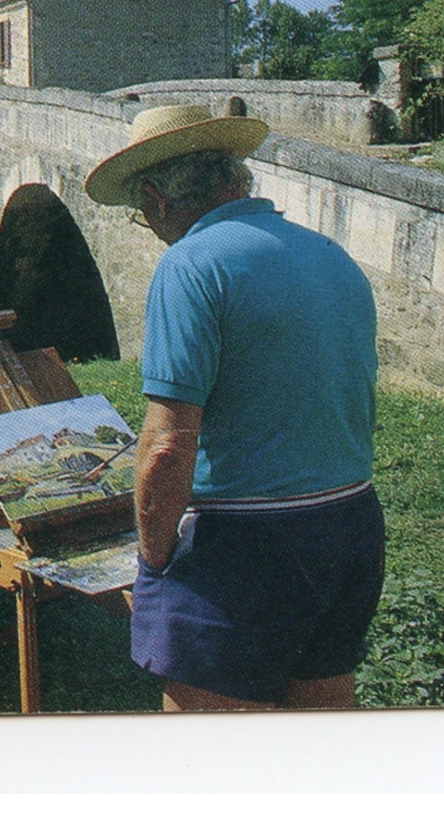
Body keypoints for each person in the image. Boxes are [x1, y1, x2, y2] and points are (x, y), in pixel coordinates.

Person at [84, 104, 383, 711]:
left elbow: (168, 445)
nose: (150, 225)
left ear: (155, 196)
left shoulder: (190, 265)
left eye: (142, 215)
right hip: (350, 524)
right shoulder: (331, 255)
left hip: (245, 545)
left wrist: (152, 556)